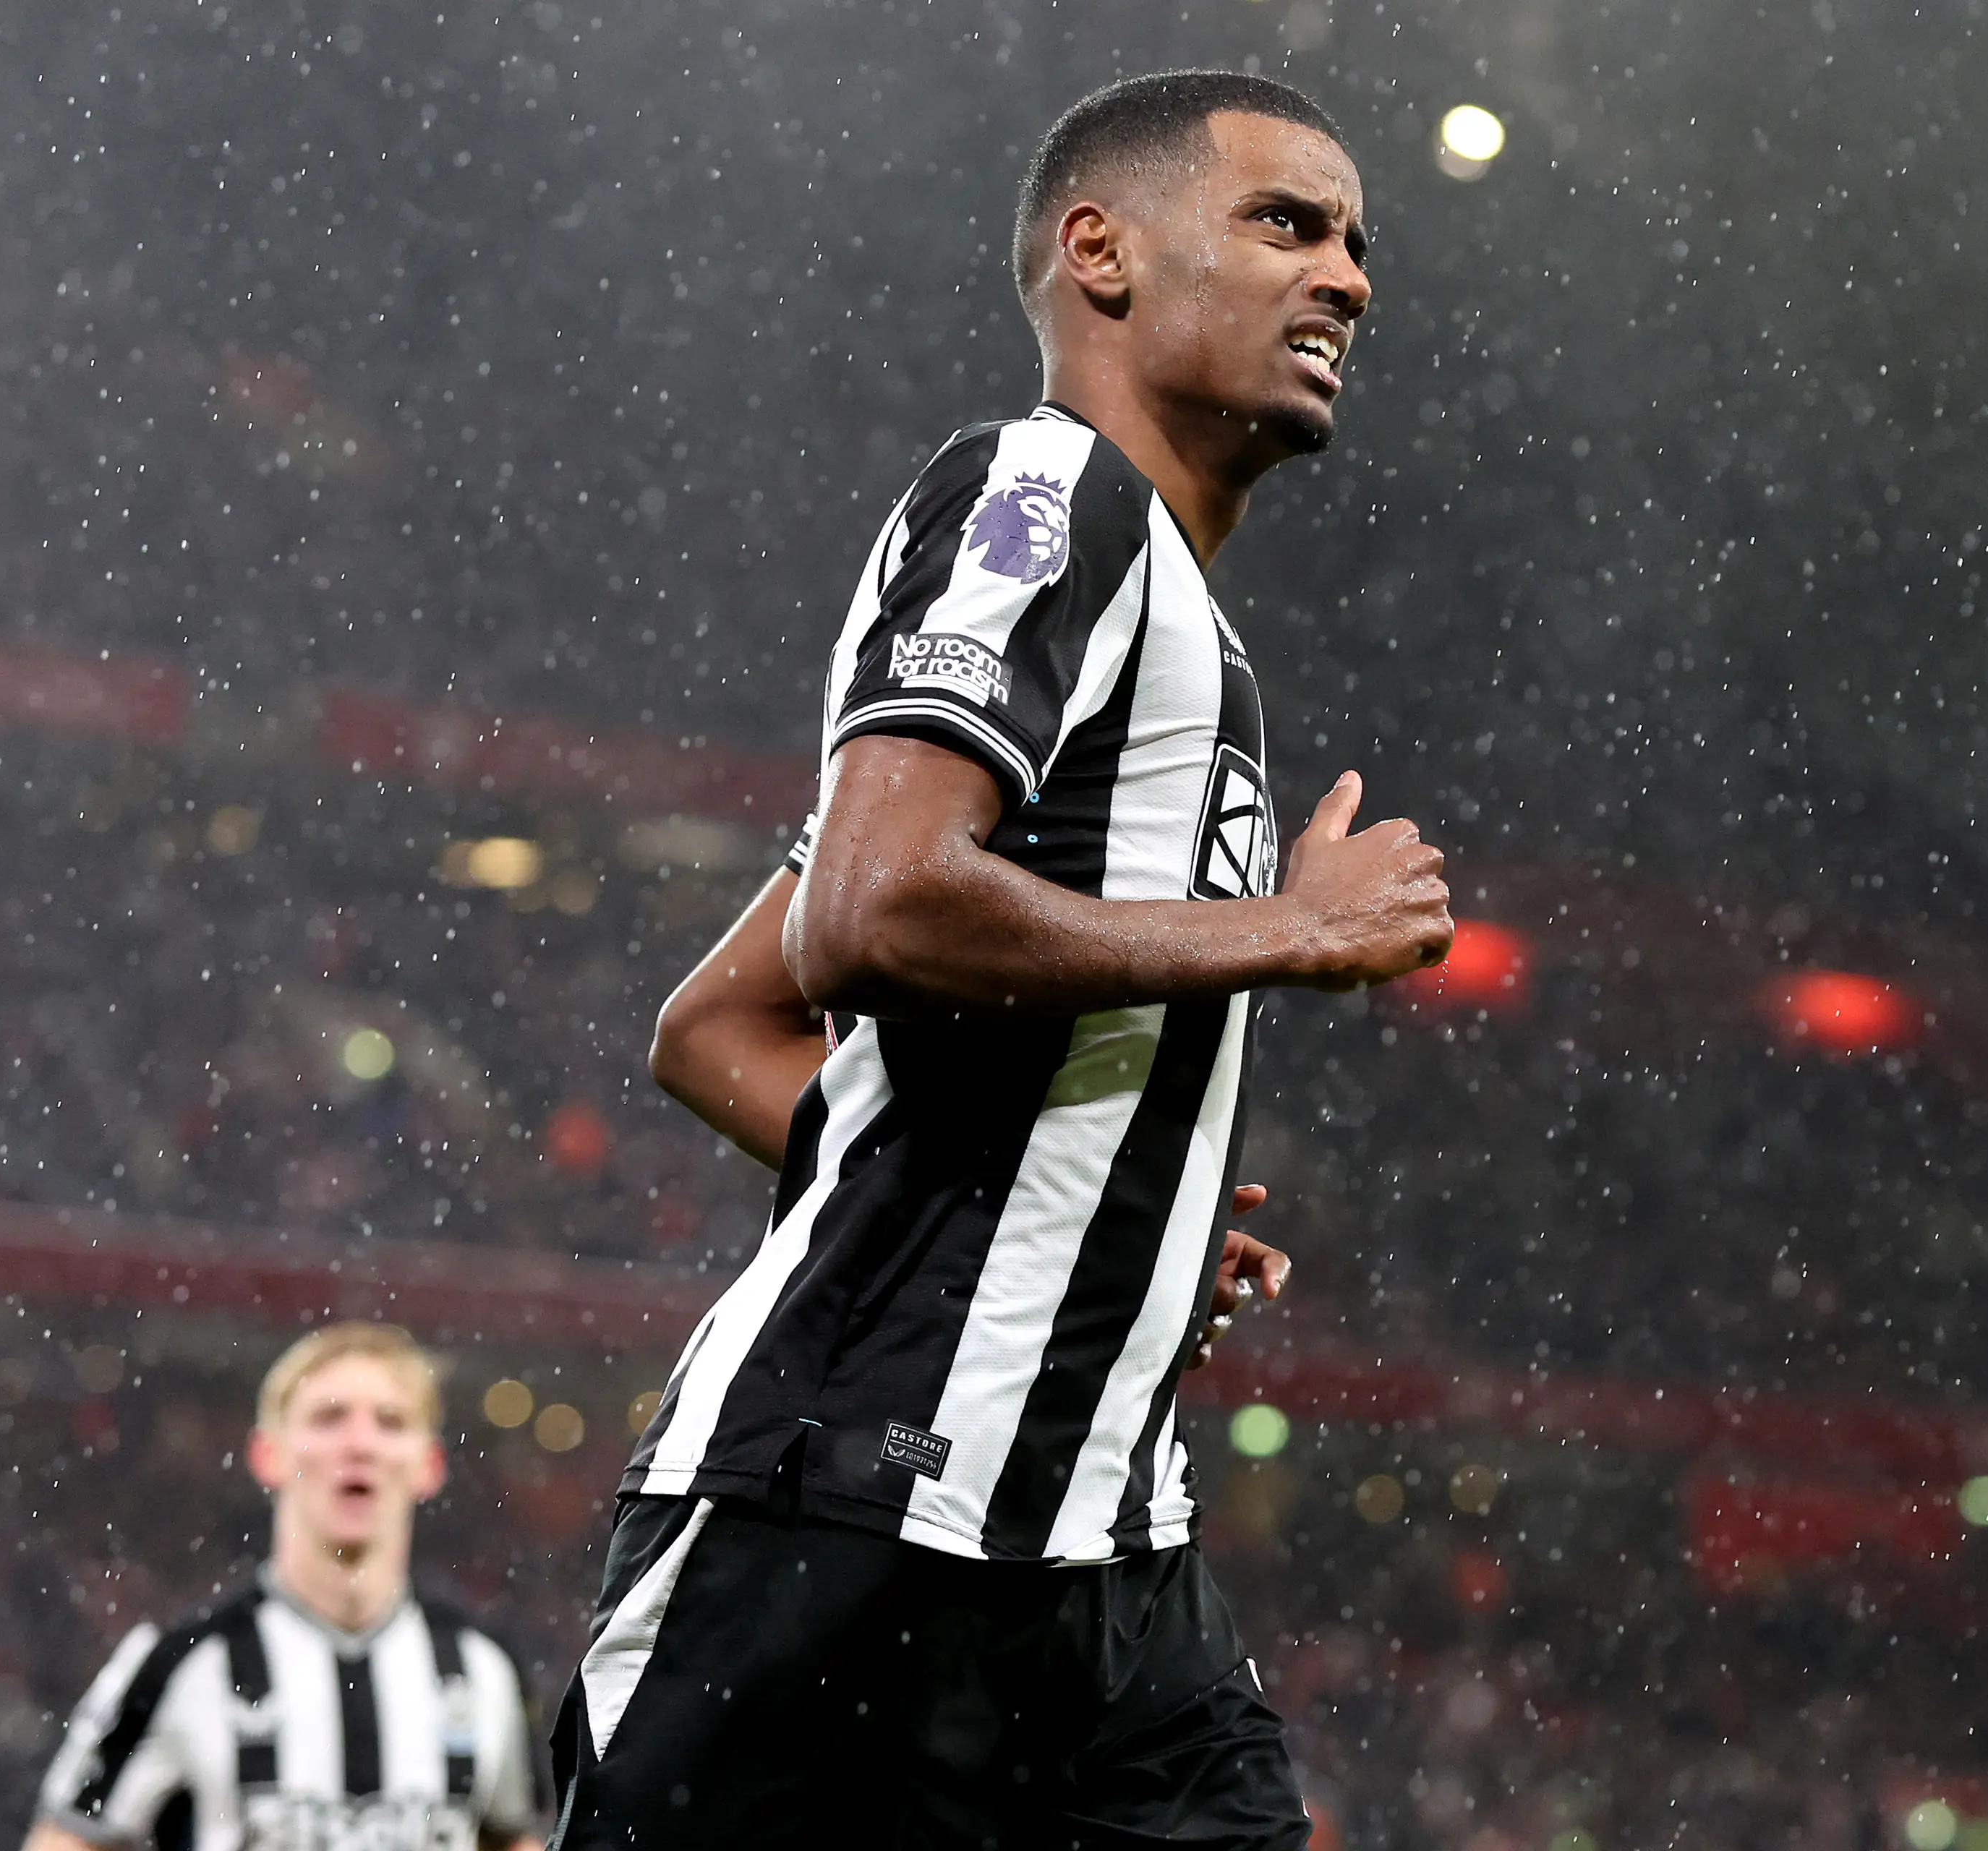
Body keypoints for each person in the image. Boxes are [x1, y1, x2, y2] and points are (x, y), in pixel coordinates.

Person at [551, 69, 1453, 1851]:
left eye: (1356, 241)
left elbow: (716, 1021)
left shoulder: (1174, 634)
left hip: (1105, 1552)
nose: (1346, 276)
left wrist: (1077, 1214)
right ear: (1099, 253)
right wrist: (1291, 926)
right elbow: (867, 911)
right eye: (1287, 224)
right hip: (851, 1517)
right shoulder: (1039, 495)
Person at [27, 1322, 547, 1851]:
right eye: (329, 1417)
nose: (360, 1443)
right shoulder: (177, 1663)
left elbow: (512, 1838)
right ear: (267, 1454)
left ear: (430, 1465)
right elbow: (65, 1840)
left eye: (390, 1422)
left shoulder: (483, 1671)